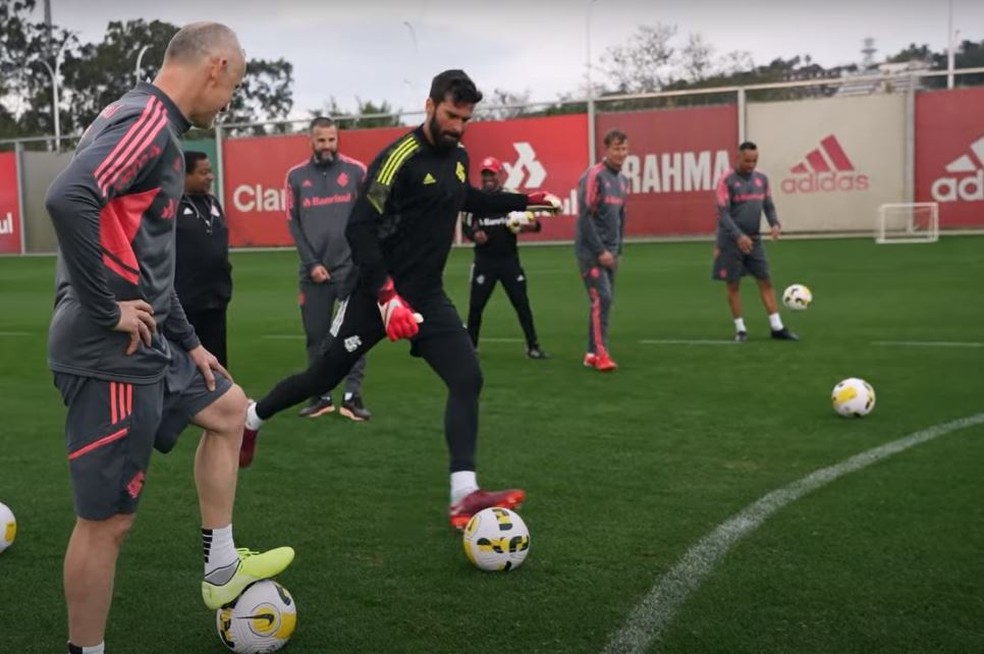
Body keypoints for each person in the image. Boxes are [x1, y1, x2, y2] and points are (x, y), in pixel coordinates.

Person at [44, 23, 293, 654]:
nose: (229, 100)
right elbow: (66, 196)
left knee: (231, 408)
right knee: (108, 524)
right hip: (110, 354)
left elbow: (146, 260)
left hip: (154, 341)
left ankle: (221, 567)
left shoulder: (137, 116)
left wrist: (188, 341)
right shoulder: (147, 124)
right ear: (214, 68)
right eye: (233, 85)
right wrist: (106, 310)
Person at [239, 69, 562, 530]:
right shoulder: (398, 159)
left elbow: (463, 196)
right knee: (320, 377)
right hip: (375, 294)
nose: (457, 126)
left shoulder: (458, 155)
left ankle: (463, 494)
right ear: (430, 106)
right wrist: (386, 295)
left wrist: (523, 199)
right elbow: (359, 227)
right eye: (451, 115)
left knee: (467, 377)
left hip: (427, 296)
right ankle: (252, 419)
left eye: (465, 118)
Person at [286, 117, 372, 421]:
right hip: (313, 273)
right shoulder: (296, 176)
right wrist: (312, 264)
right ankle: (320, 395)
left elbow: (368, 216)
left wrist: (359, 260)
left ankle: (352, 395)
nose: (327, 146)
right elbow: (293, 224)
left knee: (355, 334)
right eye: (321, 140)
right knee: (317, 336)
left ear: (338, 140)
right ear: (311, 141)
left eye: (331, 140)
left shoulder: (357, 171)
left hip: (351, 269)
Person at [461, 156, 547, 359]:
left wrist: (528, 226)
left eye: (492, 174)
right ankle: (471, 348)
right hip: (484, 262)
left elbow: (536, 224)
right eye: (485, 174)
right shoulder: (475, 200)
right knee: (476, 307)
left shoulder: (511, 198)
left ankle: (532, 346)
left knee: (522, 304)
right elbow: (465, 225)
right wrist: (475, 235)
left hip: (509, 261)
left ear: (500, 175)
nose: (488, 178)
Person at [712, 141, 798, 342]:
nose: (751, 165)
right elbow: (722, 213)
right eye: (747, 160)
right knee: (733, 285)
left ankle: (777, 327)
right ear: (738, 158)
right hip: (731, 241)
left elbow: (768, 205)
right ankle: (740, 329)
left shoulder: (762, 180)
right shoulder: (726, 180)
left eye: (754, 160)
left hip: (754, 240)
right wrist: (738, 236)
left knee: (766, 280)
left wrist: (774, 223)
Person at [575, 128, 629, 373]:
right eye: (616, 148)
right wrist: (599, 251)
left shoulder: (622, 180)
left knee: (602, 303)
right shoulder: (594, 176)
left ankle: (590, 353)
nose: (621, 153)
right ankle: (601, 353)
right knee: (602, 299)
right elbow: (585, 217)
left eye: (624, 148)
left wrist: (618, 251)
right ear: (606, 150)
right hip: (591, 253)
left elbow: (621, 217)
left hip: (609, 254)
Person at [175, 150, 232, 368]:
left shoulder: (214, 204)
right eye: (203, 172)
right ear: (184, 175)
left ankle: (220, 400)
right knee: (185, 363)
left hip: (216, 299)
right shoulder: (172, 207)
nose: (210, 177)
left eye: (210, 171)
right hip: (185, 302)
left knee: (217, 362)